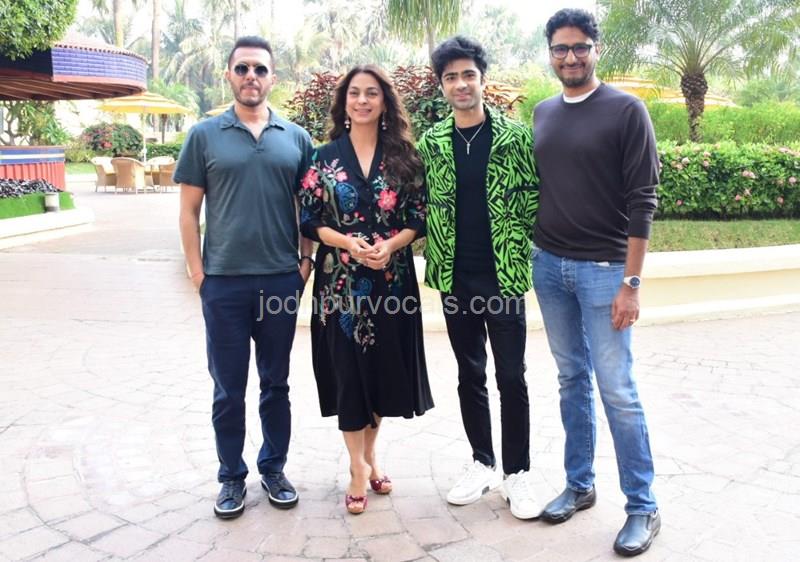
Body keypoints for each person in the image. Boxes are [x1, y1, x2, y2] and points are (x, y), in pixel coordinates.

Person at [532, 8, 660, 556]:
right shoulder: (543, 112)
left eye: (580, 46)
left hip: (605, 272)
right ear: (550, 53)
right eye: (560, 48)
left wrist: (632, 282)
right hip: (548, 265)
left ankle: (643, 507)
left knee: (617, 390)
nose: (570, 57)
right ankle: (580, 484)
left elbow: (643, 200)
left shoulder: (627, 110)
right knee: (570, 380)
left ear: (595, 49)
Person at [176, 36, 314, 519]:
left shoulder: (295, 138)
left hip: (280, 281)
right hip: (224, 284)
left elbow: (307, 207)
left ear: (273, 77)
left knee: (276, 384)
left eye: (259, 69)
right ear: (229, 75)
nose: (251, 76)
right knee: (228, 388)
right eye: (242, 68)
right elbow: (189, 211)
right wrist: (198, 273)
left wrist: (305, 262)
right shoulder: (204, 135)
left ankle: (273, 469)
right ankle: (231, 477)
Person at [297, 65, 434, 515]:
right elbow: (309, 219)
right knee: (348, 371)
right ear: (344, 102)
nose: (362, 100)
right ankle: (357, 466)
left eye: (371, 93)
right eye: (354, 93)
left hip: (391, 283)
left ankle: (371, 455)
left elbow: (418, 217)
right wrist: (346, 243)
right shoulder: (322, 157)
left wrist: (391, 246)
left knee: (379, 372)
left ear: (384, 102)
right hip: (339, 285)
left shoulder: (405, 157)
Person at [416, 36, 540, 520]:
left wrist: (516, 240)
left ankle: (518, 472)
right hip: (455, 277)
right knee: (470, 373)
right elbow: (424, 202)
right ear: (441, 85)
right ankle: (483, 462)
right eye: (451, 77)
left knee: (511, 376)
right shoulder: (433, 143)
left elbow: (533, 196)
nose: (461, 84)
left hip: (502, 276)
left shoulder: (515, 137)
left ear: (482, 80)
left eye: (468, 74)